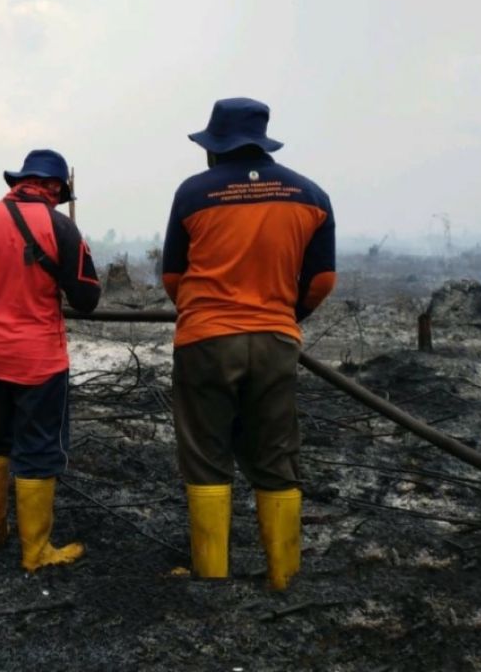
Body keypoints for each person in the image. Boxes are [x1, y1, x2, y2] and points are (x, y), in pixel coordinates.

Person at [161, 98, 336, 590]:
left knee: (206, 452)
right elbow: (322, 279)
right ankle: (282, 576)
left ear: (214, 149)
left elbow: (173, 275)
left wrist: (200, 310)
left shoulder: (194, 193)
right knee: (277, 454)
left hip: (206, 342)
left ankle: (212, 575)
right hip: (277, 340)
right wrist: (285, 315)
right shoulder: (311, 195)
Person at [0, 149, 100, 572]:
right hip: (38, 361)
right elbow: (88, 299)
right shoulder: (61, 226)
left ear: (20, 181)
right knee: (37, 449)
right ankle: (35, 552)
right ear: (54, 187)